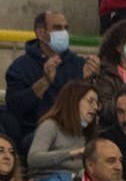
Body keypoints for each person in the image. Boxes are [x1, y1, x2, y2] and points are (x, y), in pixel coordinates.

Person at [4, 13, 96, 141]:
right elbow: (14, 107)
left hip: (74, 130)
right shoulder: (19, 67)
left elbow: (90, 106)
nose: (64, 33)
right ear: (41, 33)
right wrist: (45, 82)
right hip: (36, 132)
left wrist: (88, 80)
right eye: (58, 28)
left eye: (66, 28)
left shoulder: (78, 63)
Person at [28, 82, 98, 181]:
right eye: (90, 101)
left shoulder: (88, 133)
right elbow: (33, 158)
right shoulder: (50, 125)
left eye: (97, 103)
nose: (95, 107)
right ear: (73, 101)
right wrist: (72, 153)